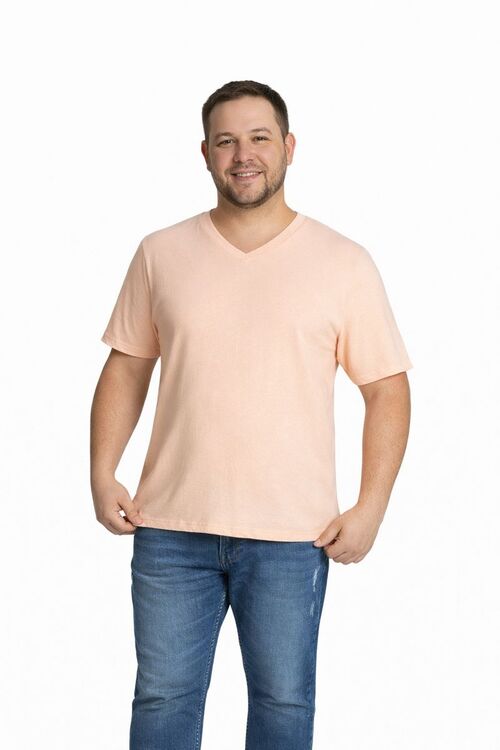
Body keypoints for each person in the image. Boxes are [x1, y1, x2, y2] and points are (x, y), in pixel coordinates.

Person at [90, 79, 413, 750]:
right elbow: (127, 364)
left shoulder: (343, 262)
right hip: (170, 528)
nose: (244, 155)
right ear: (205, 153)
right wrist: (101, 471)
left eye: (259, 138)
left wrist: (372, 505)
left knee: (283, 703)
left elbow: (387, 388)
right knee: (162, 699)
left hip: (293, 535)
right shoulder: (160, 252)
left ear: (289, 147)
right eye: (226, 141)